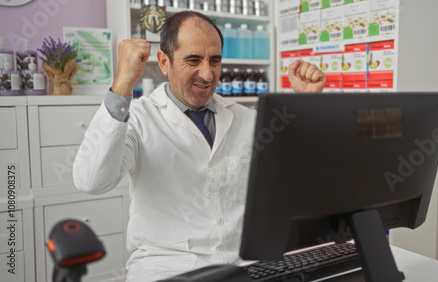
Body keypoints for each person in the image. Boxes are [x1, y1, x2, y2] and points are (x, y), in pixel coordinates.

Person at [73, 10, 325, 282]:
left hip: (243, 264)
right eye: (193, 60)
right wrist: (123, 84)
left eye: (214, 60)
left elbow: (295, 176)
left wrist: (306, 105)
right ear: (164, 62)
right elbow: (91, 180)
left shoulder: (247, 118)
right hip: (168, 266)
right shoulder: (138, 119)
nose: (207, 74)